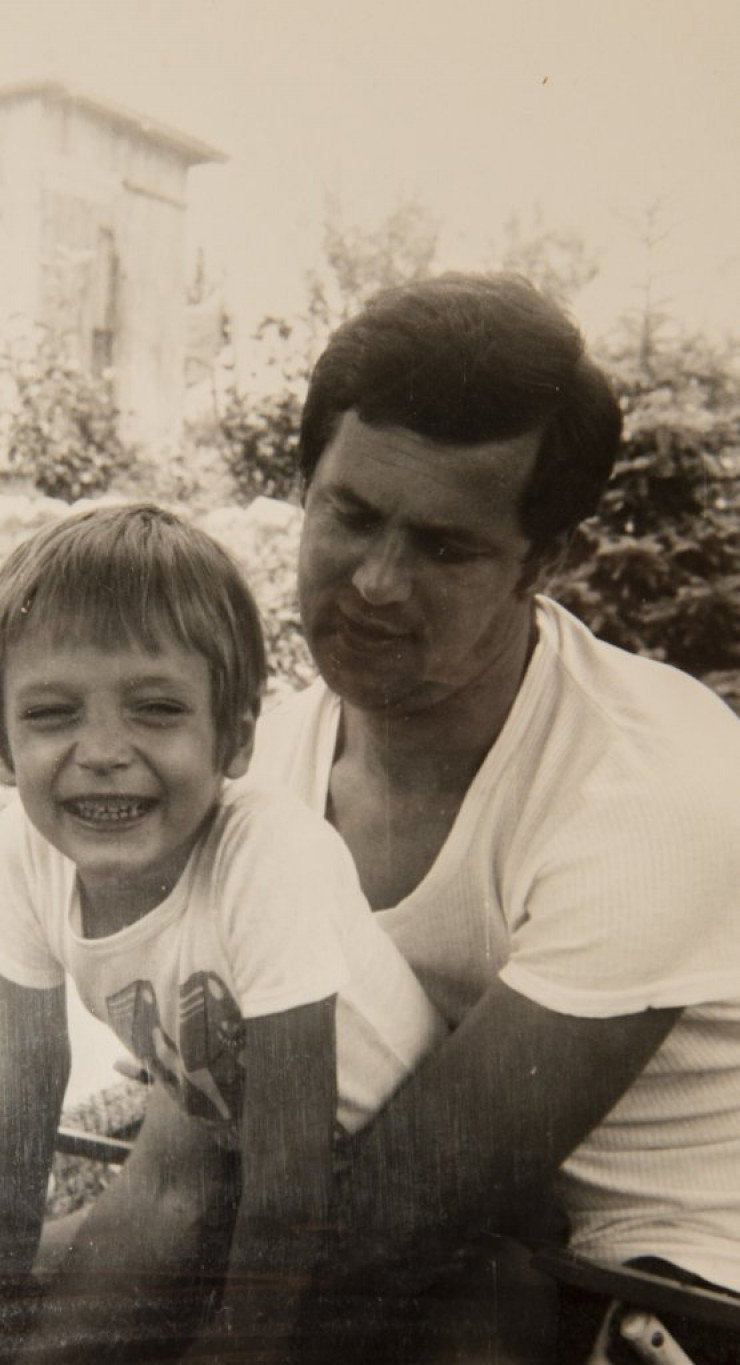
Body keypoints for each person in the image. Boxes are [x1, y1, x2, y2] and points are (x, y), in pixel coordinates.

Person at [241, 271, 740, 1361]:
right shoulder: (269, 761)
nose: (377, 582)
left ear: (545, 561)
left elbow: (401, 1221)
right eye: (351, 515)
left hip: (682, 1291)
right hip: (486, 1279)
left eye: (445, 547)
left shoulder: (655, 783)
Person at [0, 503, 442, 1364]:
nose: (102, 751)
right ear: (3, 744)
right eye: (53, 713)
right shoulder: (21, 847)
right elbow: (27, 1080)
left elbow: (288, 1184)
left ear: (235, 737)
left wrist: (240, 1347)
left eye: (156, 709)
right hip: (226, 1155)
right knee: (43, 1349)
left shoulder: (271, 854)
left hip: (398, 1178)